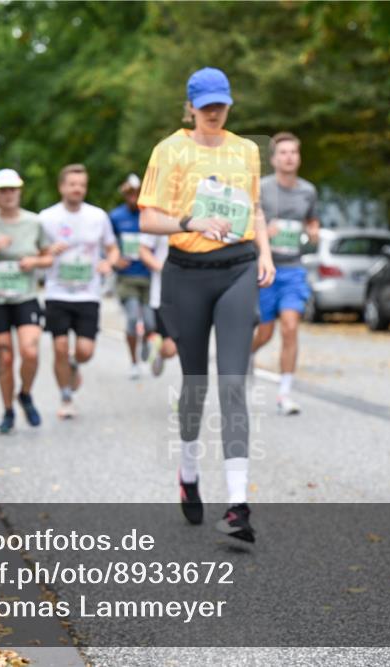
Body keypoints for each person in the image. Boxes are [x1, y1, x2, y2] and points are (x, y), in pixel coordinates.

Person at [139, 67, 275, 543]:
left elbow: (255, 208)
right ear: (191, 106)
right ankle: (189, 470)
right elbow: (148, 220)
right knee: (194, 383)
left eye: (222, 104)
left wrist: (265, 252)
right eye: (207, 105)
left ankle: (238, 505)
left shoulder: (246, 150)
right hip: (187, 274)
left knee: (233, 382)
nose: (215, 112)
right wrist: (191, 219)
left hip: (238, 269)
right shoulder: (168, 150)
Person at [0, 169, 53, 434]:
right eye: (2, 190)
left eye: (12, 189)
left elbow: (48, 257)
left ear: (19, 192)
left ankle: (25, 394)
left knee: (30, 351)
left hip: (25, 296)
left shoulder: (34, 222)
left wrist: (34, 262)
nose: (8, 195)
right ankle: (7, 411)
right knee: (5, 358)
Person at [39, 164, 120, 419]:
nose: (77, 189)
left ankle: (74, 364)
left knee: (85, 351)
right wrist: (48, 252)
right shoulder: (46, 217)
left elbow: (112, 248)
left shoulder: (98, 216)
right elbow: (34, 252)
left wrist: (109, 262)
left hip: (88, 294)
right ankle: (65, 397)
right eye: (72, 184)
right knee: (60, 346)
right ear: (62, 186)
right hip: (57, 292)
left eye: (82, 185)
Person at [249, 131, 320, 415]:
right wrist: (266, 233)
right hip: (265, 270)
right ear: (274, 159)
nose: (289, 157)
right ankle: (248, 353)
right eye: (284, 153)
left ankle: (285, 393)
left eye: (294, 152)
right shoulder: (262, 189)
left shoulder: (308, 191)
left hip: (293, 269)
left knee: (290, 327)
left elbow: (312, 223)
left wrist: (312, 233)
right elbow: (248, 226)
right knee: (265, 332)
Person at [110, 173, 158, 379]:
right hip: (127, 277)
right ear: (125, 194)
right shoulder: (115, 217)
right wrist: (114, 259)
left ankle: (147, 342)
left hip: (150, 277)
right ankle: (133, 362)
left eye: (138, 193)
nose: (134, 197)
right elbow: (107, 243)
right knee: (131, 319)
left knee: (150, 322)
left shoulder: (151, 215)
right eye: (130, 193)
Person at [139, 231, 177, 377]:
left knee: (186, 348)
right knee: (170, 349)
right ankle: (158, 351)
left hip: (194, 296)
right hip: (163, 296)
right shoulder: (162, 214)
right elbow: (142, 249)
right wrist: (163, 269)